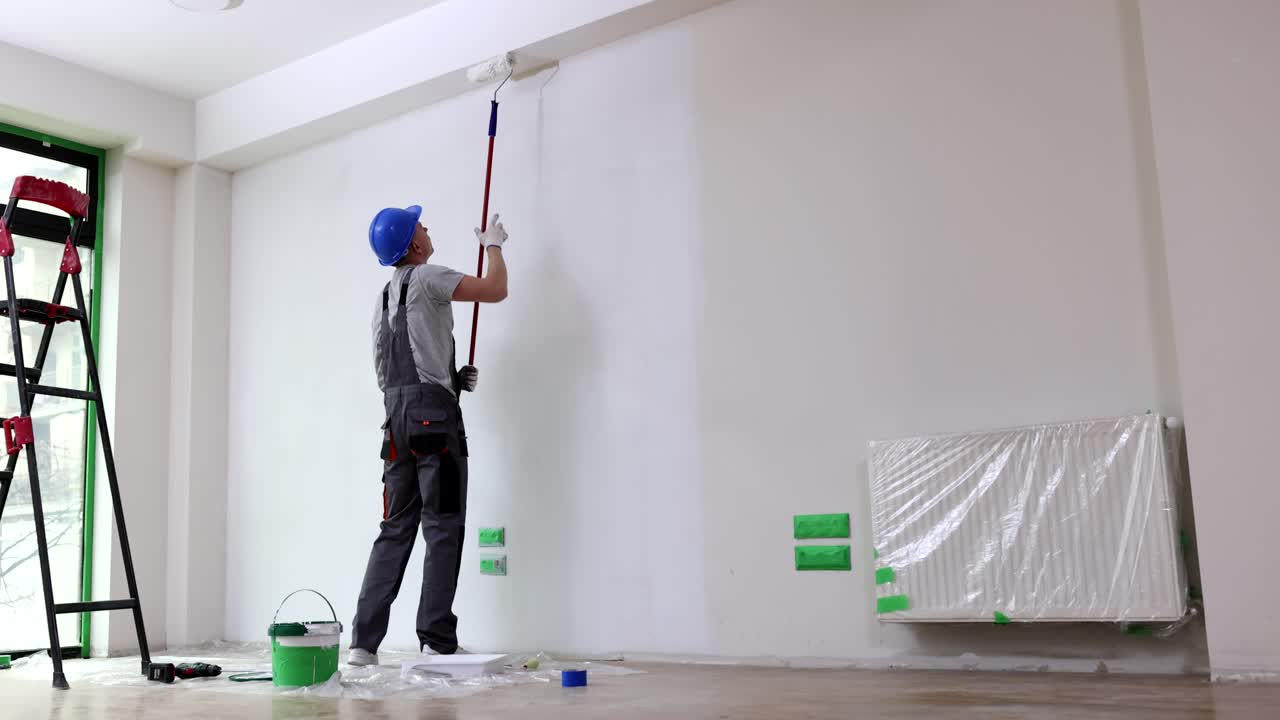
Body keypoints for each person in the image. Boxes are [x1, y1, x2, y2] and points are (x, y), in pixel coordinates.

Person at [347, 204, 509, 666]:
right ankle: (437, 640)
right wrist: (493, 246)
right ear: (415, 244)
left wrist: (452, 378)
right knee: (442, 527)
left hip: (395, 421)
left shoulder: (382, 297)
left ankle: (362, 645)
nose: (427, 227)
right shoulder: (430, 277)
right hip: (433, 421)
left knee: (395, 529)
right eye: (421, 225)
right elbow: (495, 291)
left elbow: (390, 371)